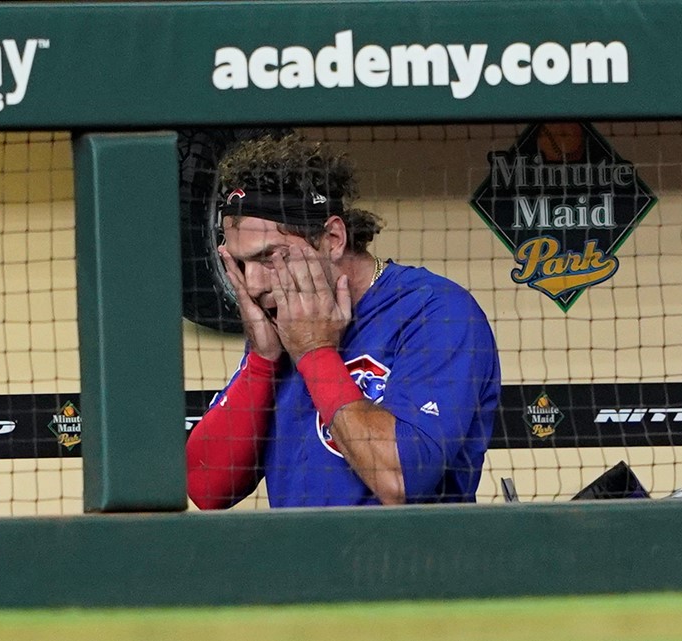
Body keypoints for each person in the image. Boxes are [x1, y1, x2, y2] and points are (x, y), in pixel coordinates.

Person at [185, 133, 501, 509]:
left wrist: (315, 352)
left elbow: (400, 480)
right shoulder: (284, 319)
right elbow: (207, 488)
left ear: (332, 238)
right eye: (240, 263)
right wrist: (262, 361)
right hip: (303, 565)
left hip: (409, 564)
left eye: (269, 257)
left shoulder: (436, 311)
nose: (252, 283)